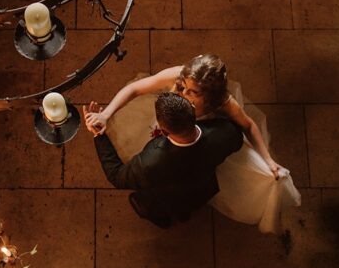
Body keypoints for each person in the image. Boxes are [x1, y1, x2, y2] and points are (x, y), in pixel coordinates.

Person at [84, 53, 301, 234]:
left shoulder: (224, 103)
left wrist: (268, 160)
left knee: (168, 180)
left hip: (189, 144)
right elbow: (135, 89)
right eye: (182, 87)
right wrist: (107, 114)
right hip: (173, 131)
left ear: (210, 97)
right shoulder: (178, 76)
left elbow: (248, 125)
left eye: (192, 92)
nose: (183, 94)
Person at [89, 90, 244, 228]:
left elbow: (117, 177)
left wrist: (99, 135)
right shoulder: (225, 132)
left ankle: (163, 220)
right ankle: (183, 215)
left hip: (166, 200)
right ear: (193, 113)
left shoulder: (151, 162)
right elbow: (237, 141)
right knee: (185, 210)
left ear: (163, 131)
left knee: (155, 207)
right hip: (202, 190)